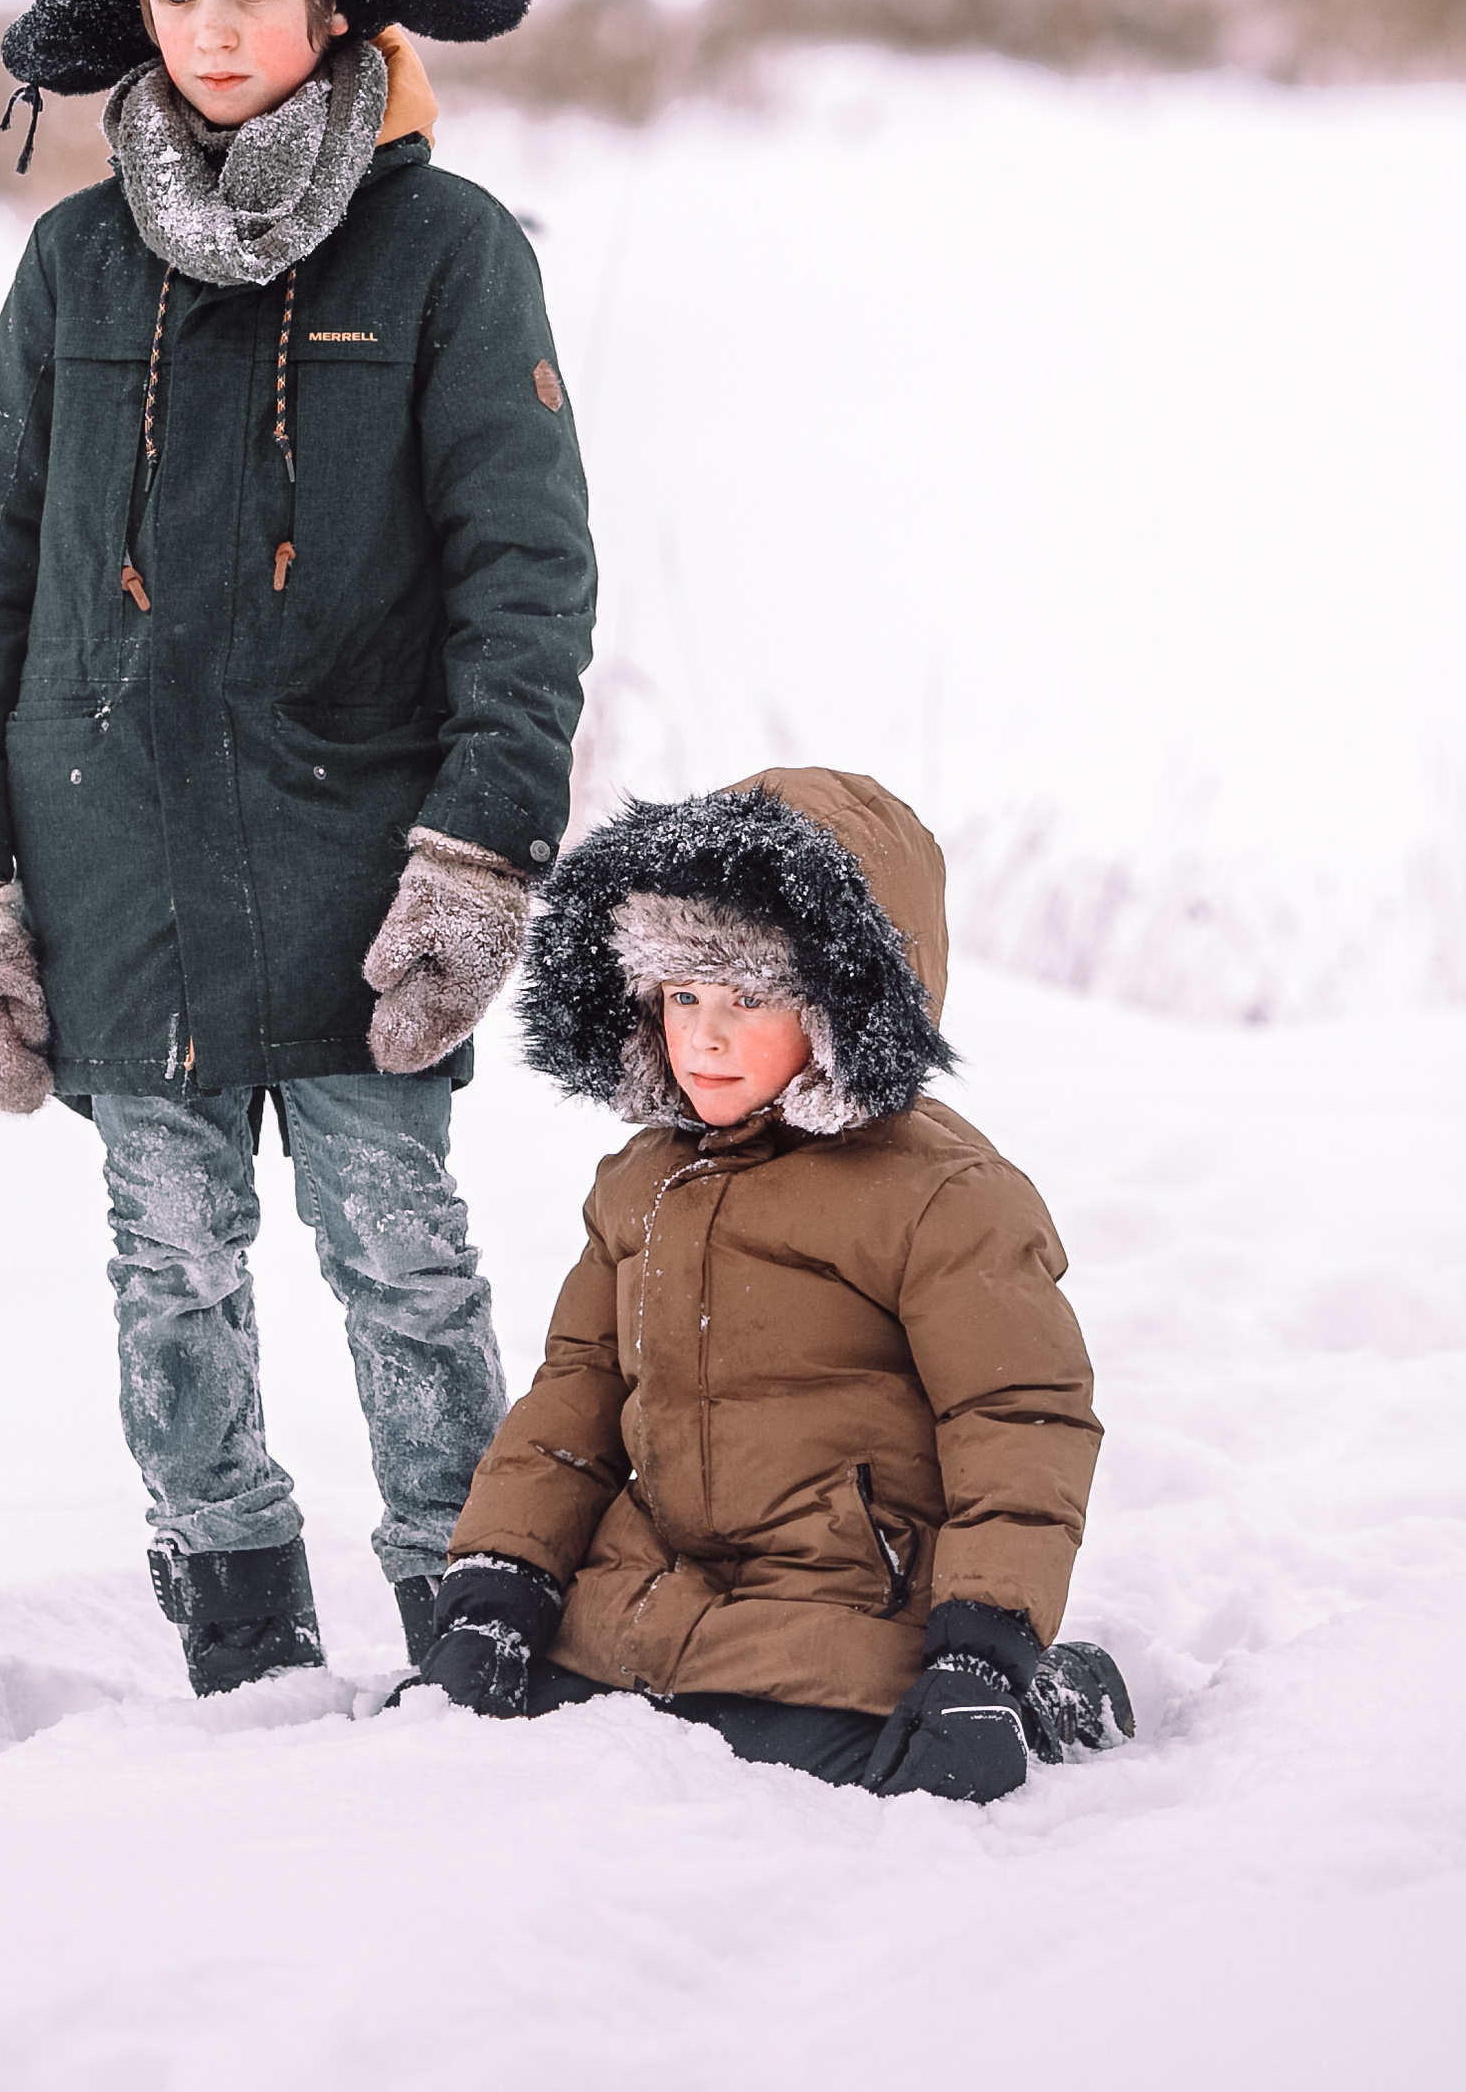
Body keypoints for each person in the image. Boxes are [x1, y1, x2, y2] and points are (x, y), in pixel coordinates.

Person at [0, 0, 598, 1695]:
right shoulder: (73, 269)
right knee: (167, 1260)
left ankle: (478, 1607)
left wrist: (479, 856)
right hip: (119, 874)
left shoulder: (452, 257)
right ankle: (239, 1620)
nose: (211, 38)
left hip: (366, 866)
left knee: (402, 1252)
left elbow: (529, 582)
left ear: (338, 3)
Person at [404, 767, 1133, 1798]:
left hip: (847, 1610)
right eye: (680, 994)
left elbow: (1017, 1419)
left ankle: (1049, 1696)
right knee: (502, 1732)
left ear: (843, 998)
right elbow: (575, 1398)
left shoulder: (942, 1196)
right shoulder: (641, 1184)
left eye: (748, 997)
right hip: (647, 1604)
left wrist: (981, 1646)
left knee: (845, 1766)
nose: (701, 1034)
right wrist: (500, 1583)